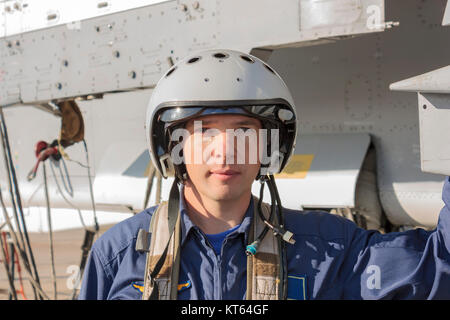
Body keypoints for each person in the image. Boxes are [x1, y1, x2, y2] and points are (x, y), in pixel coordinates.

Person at [78, 49, 450, 300]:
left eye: (243, 131)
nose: (225, 150)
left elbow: (437, 267)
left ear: (268, 148)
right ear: (174, 146)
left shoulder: (328, 249)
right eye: (204, 130)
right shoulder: (118, 257)